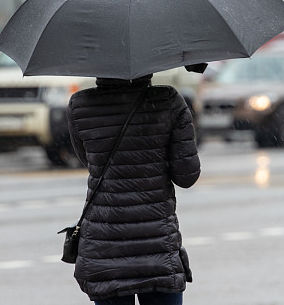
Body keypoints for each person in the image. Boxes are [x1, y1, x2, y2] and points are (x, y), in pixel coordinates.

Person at [66, 73, 201, 305]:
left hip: (104, 249)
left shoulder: (80, 105)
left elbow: (91, 163)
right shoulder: (168, 100)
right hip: (157, 247)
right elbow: (186, 175)